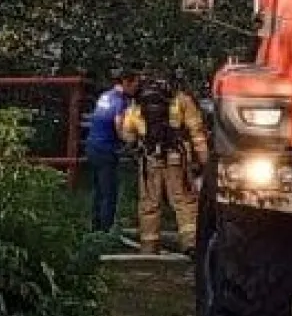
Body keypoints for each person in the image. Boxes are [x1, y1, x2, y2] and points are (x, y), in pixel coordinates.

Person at [121, 69, 210, 256]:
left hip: (149, 158)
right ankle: (190, 244)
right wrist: (204, 161)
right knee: (183, 201)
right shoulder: (181, 100)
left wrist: (136, 147)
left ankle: (148, 247)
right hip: (177, 158)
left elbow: (127, 131)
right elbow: (197, 132)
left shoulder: (138, 103)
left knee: (149, 203)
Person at [86, 68, 139, 233]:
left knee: (98, 190)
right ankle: (105, 232)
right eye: (135, 84)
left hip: (92, 146)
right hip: (106, 149)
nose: (136, 88)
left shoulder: (105, 96)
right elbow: (119, 126)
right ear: (126, 82)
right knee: (109, 193)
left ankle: (94, 228)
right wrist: (132, 141)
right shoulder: (120, 101)